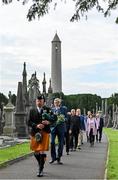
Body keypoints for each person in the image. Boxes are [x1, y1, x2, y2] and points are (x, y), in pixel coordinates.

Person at [28, 95, 53, 177]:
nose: (39, 102)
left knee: (42, 150)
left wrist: (48, 122)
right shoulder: (32, 110)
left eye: (40, 101)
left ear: (43, 102)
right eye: (37, 101)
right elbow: (28, 122)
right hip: (35, 133)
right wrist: (36, 125)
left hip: (44, 132)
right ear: (36, 102)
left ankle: (40, 170)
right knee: (35, 151)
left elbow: (54, 119)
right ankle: (41, 161)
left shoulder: (48, 110)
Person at [49, 98, 67, 164]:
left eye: (57, 102)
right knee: (52, 142)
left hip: (61, 128)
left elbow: (66, 118)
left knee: (61, 143)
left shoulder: (64, 109)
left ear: (59, 103)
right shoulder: (52, 109)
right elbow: (50, 118)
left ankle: (58, 157)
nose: (55, 103)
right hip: (53, 128)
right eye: (54, 102)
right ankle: (53, 157)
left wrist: (63, 119)